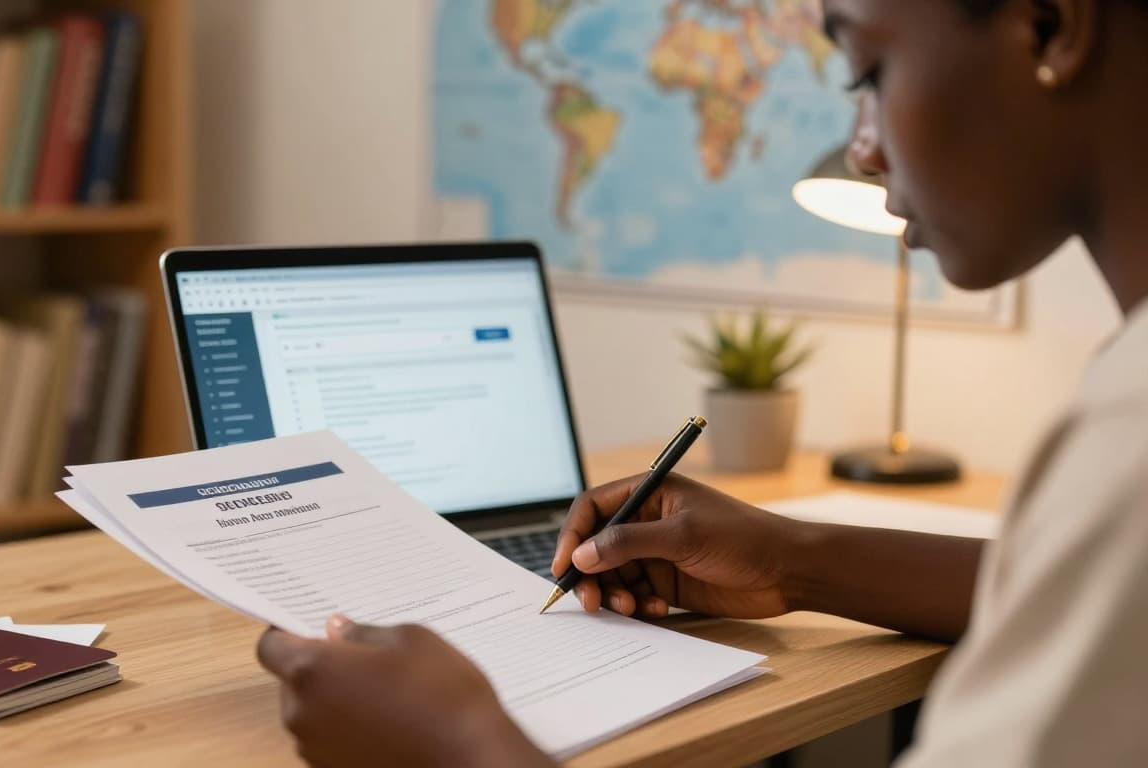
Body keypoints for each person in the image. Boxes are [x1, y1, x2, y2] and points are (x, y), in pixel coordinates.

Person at [255, 0, 1148, 764]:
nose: (864, 148)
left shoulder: (1129, 441)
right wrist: (792, 561)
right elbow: (1080, 599)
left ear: (1049, 25)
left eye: (867, 71)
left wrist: (463, 748)